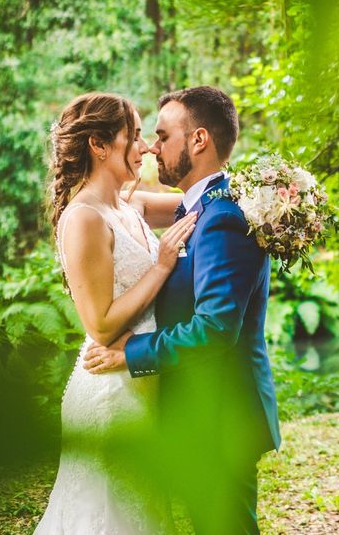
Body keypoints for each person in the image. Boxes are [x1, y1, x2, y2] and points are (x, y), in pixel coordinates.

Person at [84, 86, 281, 535]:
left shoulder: (223, 218)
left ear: (199, 140)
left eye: (161, 134)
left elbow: (214, 327)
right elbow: (122, 206)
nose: (152, 146)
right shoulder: (199, 208)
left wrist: (129, 353)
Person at [35, 92, 196, 534]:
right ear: (99, 145)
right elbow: (101, 325)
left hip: (142, 386)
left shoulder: (130, 206)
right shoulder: (84, 218)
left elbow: (202, 206)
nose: (146, 148)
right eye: (136, 136)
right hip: (109, 393)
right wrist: (162, 266)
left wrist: (273, 195)